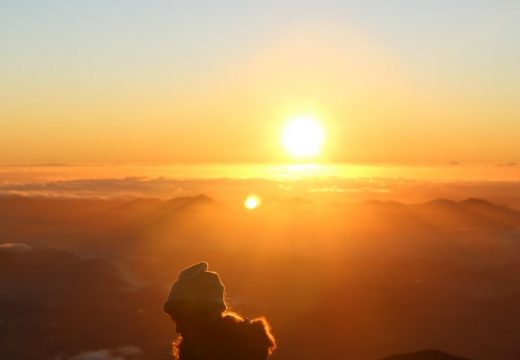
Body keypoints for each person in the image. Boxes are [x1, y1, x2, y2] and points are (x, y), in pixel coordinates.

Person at [163, 262, 277, 360]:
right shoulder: (192, 349)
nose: (178, 329)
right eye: (175, 319)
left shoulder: (245, 350)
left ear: (205, 314)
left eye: (182, 319)